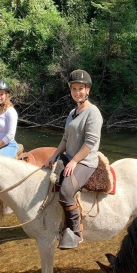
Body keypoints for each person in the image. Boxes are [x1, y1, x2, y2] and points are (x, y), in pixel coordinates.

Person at [44, 69, 103, 249]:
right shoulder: (72, 112)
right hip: (69, 155)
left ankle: (76, 233)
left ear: (88, 90)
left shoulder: (93, 113)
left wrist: (74, 161)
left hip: (86, 161)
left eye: (81, 88)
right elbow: (65, 138)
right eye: (74, 89)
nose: (77, 92)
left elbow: (90, 142)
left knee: (66, 191)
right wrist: (54, 155)